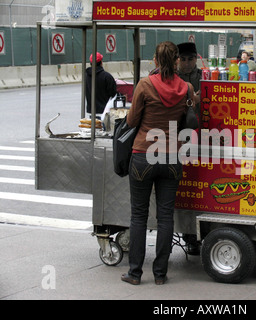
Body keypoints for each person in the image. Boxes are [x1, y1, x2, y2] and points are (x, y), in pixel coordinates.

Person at [121, 41, 195, 285]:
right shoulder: (186, 87)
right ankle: (160, 274)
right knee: (165, 217)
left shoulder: (144, 84)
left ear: (154, 60)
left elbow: (132, 121)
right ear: (176, 61)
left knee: (138, 216)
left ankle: (134, 273)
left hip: (143, 154)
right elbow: (192, 117)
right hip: (172, 157)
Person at [177, 42, 202, 255]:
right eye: (183, 59)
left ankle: (193, 237)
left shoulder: (203, 75)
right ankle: (186, 235)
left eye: (190, 59)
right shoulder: (170, 77)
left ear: (196, 59)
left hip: (200, 135)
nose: (186, 63)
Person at [85, 52, 116, 116]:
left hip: (91, 112)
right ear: (101, 62)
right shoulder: (107, 77)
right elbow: (113, 94)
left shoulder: (86, 76)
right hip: (104, 111)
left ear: (91, 63)